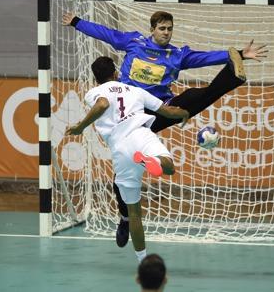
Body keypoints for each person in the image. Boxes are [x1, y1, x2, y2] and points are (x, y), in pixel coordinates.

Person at [62, 10, 268, 248]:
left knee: (194, 96)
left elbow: (205, 58)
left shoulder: (177, 55)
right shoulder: (134, 42)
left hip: (161, 109)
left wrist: (239, 54)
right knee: (122, 176)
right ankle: (126, 218)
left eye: (170, 29)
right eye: (162, 29)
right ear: (152, 29)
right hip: (132, 114)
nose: (166, 33)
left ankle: (232, 74)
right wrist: (77, 22)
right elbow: (107, 34)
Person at [65, 56, 189, 263]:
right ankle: (152, 161)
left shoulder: (94, 92)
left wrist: (80, 126)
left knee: (134, 212)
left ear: (96, 79)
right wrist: (184, 113)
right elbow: (167, 111)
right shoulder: (136, 91)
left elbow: (103, 103)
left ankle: (143, 261)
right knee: (169, 167)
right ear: (115, 73)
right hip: (141, 135)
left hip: (121, 148)